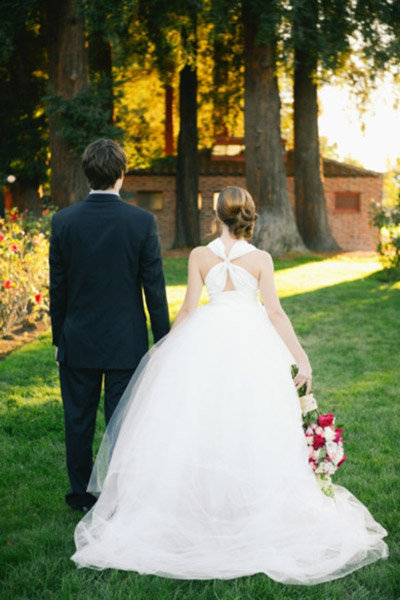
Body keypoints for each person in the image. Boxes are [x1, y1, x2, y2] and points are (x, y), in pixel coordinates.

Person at [71, 186, 388, 584]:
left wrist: (164, 351)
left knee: (202, 419)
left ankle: (201, 501)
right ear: (248, 217)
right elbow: (274, 311)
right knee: (252, 419)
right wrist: (300, 357)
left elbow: (188, 308)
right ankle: (247, 503)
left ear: (216, 216)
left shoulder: (200, 256)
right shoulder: (260, 259)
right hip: (254, 343)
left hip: (206, 337)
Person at [49, 138, 170, 513]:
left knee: (78, 420)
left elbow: (58, 289)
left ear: (88, 173)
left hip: (78, 340)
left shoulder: (63, 221)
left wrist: (59, 340)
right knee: (121, 422)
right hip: (126, 342)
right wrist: (164, 342)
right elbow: (154, 287)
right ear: (122, 174)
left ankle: (80, 496)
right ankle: (117, 495)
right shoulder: (141, 221)